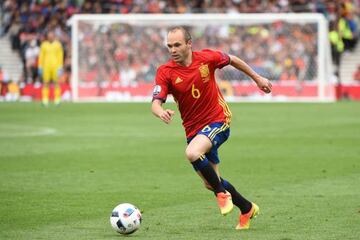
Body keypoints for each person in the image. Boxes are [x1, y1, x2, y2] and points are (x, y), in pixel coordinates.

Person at [151, 26, 272, 230]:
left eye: (177, 45)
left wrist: (257, 79)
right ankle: (246, 208)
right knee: (210, 181)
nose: (172, 49)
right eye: (169, 46)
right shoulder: (166, 71)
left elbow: (232, 59)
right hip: (194, 130)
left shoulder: (207, 58)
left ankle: (221, 193)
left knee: (192, 153)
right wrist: (160, 111)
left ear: (189, 44)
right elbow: (155, 102)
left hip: (218, 120)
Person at [38, 30, 64, 106]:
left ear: (54, 36)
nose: (50, 37)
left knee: (56, 83)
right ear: (47, 36)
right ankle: (45, 99)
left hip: (55, 66)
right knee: (46, 83)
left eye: (52, 35)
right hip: (46, 66)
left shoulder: (58, 45)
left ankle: (57, 100)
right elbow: (41, 56)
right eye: (49, 35)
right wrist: (40, 66)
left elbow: (60, 55)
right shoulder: (44, 45)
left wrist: (60, 66)